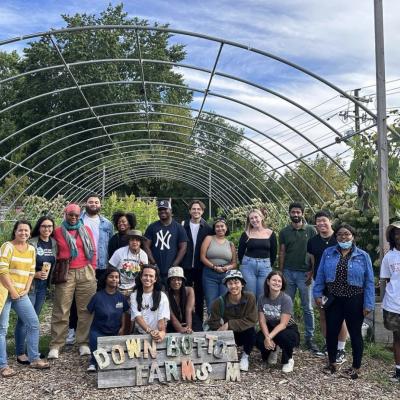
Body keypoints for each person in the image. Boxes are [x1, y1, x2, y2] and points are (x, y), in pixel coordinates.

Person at [313, 224, 375, 379]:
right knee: (332, 331)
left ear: (353, 236)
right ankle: (332, 363)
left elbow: (369, 282)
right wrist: (317, 294)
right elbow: (320, 275)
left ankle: (356, 367)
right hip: (334, 299)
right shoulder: (328, 253)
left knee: (355, 334)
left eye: (347, 234)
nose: (343, 237)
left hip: (355, 299)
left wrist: (368, 303)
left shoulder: (363, 255)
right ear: (336, 237)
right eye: (340, 234)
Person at [0, 220, 49, 377]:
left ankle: (34, 358)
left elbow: (30, 271)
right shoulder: (7, 247)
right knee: (2, 329)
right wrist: (12, 290)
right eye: (20, 230)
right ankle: (3, 365)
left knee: (33, 323)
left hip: (21, 293)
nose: (23, 233)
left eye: (26, 231)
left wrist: (26, 289)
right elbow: (2, 270)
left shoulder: (31, 249)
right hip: (4, 292)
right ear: (15, 231)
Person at [48, 203, 97, 359]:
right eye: (71, 215)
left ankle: (83, 342)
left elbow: (93, 250)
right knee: (61, 309)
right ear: (65, 214)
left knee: (86, 309)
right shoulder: (57, 232)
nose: (74, 218)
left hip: (86, 271)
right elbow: (53, 252)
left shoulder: (86, 230)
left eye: (76, 215)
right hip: (66, 272)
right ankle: (56, 344)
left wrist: (93, 267)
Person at [15, 216, 57, 365]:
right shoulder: (32, 242)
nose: (47, 229)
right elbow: (23, 264)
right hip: (30, 285)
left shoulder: (53, 243)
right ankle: (20, 352)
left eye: (50, 226)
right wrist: (35, 275)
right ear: (39, 227)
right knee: (24, 319)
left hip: (42, 286)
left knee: (34, 317)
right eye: (44, 226)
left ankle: (30, 349)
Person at [307, 210, 347, 363]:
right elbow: (312, 261)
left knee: (340, 315)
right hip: (320, 283)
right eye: (318, 221)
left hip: (338, 283)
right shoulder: (313, 242)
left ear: (330, 221)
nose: (321, 223)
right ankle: (328, 344)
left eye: (324, 220)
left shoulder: (339, 238)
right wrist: (310, 273)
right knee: (323, 314)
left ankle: (341, 348)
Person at [279, 202, 318, 353]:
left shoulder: (310, 230)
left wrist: (312, 272)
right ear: (289, 213)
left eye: (298, 212)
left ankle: (310, 337)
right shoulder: (284, 232)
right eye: (293, 212)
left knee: (307, 307)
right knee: (288, 307)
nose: (295, 215)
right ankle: (292, 335)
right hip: (288, 272)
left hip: (304, 273)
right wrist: (281, 273)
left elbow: (314, 253)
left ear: (302, 213)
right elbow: (282, 252)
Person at [208, 270, 257, 372]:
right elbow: (213, 322)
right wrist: (223, 327)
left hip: (244, 331)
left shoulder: (250, 298)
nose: (233, 286)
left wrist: (230, 324)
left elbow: (252, 319)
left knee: (251, 332)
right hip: (228, 334)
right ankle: (225, 355)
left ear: (242, 284)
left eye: (236, 283)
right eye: (230, 283)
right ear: (226, 285)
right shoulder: (219, 302)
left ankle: (245, 356)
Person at [256, 271, 300, 373]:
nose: (277, 283)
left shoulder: (286, 299)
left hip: (287, 328)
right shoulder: (262, 298)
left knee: (284, 337)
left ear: (282, 284)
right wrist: (267, 337)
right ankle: (274, 350)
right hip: (270, 326)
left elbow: (283, 324)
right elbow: (262, 321)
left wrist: (269, 337)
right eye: (274, 280)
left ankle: (288, 360)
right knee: (259, 340)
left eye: (279, 281)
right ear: (268, 281)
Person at [86, 267, 129, 372]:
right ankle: (93, 362)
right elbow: (89, 314)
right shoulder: (97, 296)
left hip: (115, 331)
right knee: (95, 344)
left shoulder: (121, 297)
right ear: (105, 279)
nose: (114, 279)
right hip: (99, 331)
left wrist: (123, 328)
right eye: (111, 277)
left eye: (117, 277)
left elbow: (124, 313)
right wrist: (89, 331)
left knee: (115, 359)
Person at [109, 229, 149, 334]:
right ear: (128, 241)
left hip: (134, 287)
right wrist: (114, 284)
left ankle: (131, 332)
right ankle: (114, 332)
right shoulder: (119, 252)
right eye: (132, 240)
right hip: (119, 286)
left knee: (133, 311)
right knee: (117, 311)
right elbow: (110, 268)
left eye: (137, 240)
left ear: (140, 242)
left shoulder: (143, 255)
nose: (134, 242)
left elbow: (144, 273)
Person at [144, 200, 188, 287]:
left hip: (172, 270)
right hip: (155, 269)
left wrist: (174, 265)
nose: (162, 211)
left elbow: (183, 248)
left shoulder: (179, 227)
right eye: (160, 210)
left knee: (171, 295)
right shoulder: (152, 227)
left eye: (165, 209)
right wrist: (153, 263)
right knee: (156, 294)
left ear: (171, 211)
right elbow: (146, 245)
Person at [181, 200, 212, 322]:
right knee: (184, 293)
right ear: (189, 211)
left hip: (201, 266)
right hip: (186, 265)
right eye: (193, 209)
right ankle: (184, 319)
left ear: (202, 211)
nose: (196, 211)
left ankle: (198, 321)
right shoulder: (183, 226)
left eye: (198, 209)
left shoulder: (208, 228)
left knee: (199, 295)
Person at [238, 209, 277, 300]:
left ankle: (261, 314)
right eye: (251, 218)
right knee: (250, 294)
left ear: (262, 217)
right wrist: (244, 264)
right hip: (248, 266)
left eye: (256, 217)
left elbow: (274, 252)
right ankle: (250, 314)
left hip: (265, 266)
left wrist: (268, 265)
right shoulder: (246, 234)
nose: (254, 220)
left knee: (262, 294)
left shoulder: (270, 233)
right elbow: (240, 252)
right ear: (249, 220)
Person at [200, 217, 237, 313]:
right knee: (211, 301)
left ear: (226, 228)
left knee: (224, 301)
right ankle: (211, 325)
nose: (220, 228)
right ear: (214, 228)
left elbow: (234, 263)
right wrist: (214, 267)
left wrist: (226, 268)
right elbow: (202, 257)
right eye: (217, 227)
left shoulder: (230, 244)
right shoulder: (209, 239)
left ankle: (222, 326)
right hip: (210, 274)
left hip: (225, 275)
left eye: (222, 226)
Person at [380, 221, 400, 382]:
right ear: (393, 237)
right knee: (397, 338)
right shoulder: (389, 257)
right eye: (396, 233)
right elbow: (386, 280)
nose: (399, 236)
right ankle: (398, 370)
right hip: (394, 305)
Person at [130, 264, 170, 342]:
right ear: (141, 278)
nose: (148, 278)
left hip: (156, 333)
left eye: (151, 276)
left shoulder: (162, 296)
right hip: (139, 334)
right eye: (145, 275)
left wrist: (161, 332)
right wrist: (150, 331)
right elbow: (138, 317)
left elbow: (161, 319)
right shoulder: (134, 295)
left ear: (155, 279)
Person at [166, 266, 202, 333]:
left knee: (197, 332)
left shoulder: (189, 290)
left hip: (189, 320)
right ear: (169, 281)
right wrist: (180, 328)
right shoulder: (165, 294)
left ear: (182, 281)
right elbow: (171, 314)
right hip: (173, 322)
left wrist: (188, 328)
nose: (176, 282)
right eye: (173, 279)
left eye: (179, 279)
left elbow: (188, 310)